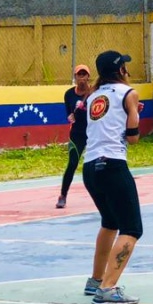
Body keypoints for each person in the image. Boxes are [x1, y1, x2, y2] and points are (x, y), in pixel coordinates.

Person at [82, 50, 143, 304]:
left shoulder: (93, 96)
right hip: (113, 164)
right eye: (125, 67)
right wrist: (134, 113)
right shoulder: (128, 93)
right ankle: (108, 288)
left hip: (90, 167)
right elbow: (132, 137)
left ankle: (96, 280)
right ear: (120, 71)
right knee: (131, 228)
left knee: (109, 222)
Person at [56, 64, 92, 209]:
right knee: (72, 164)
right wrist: (70, 117)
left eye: (84, 75)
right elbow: (69, 114)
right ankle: (63, 195)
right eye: (79, 75)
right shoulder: (69, 94)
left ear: (88, 77)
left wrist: (86, 108)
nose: (82, 78)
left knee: (98, 166)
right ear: (75, 77)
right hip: (77, 134)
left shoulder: (94, 93)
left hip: (93, 133)